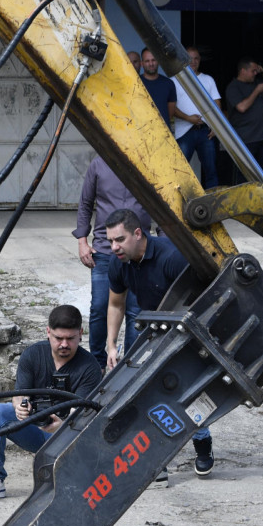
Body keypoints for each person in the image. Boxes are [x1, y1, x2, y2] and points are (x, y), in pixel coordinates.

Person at [104, 209, 215, 481]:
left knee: (186, 393)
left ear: (137, 233)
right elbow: (116, 304)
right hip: (152, 330)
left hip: (187, 330)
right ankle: (156, 461)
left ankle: (203, 445)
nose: (114, 247)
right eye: (110, 241)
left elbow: (204, 301)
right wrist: (111, 344)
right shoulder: (119, 263)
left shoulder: (172, 258)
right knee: (143, 392)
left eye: (119, 239)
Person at [0, 305, 103, 500]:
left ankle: (71, 472)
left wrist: (62, 426)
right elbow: (19, 394)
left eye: (70, 338)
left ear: (80, 334)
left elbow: (83, 416)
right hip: (35, 427)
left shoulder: (90, 367)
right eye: (58, 338)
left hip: (69, 436)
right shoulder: (32, 354)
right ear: (48, 332)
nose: (64, 344)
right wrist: (21, 407)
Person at [73, 155, 154, 370]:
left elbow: (162, 204)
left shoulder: (149, 161)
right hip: (105, 249)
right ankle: (97, 365)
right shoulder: (99, 163)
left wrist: (161, 242)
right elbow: (86, 203)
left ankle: (130, 368)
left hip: (139, 251)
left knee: (136, 311)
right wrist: (82, 241)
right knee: (100, 307)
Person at [171, 46, 222, 189]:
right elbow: (171, 107)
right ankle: (179, 200)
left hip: (205, 131)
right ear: (183, 60)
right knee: (179, 172)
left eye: (196, 58)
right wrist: (188, 118)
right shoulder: (174, 80)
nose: (193, 61)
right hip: (184, 132)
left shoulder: (208, 79)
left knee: (211, 171)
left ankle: (212, 199)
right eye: (190, 58)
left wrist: (216, 126)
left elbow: (217, 104)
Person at [224, 57, 263, 185]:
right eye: (253, 71)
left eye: (256, 71)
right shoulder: (233, 87)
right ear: (243, 71)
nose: (255, 73)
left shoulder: (255, 83)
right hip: (245, 139)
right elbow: (242, 107)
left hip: (262, 137)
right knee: (245, 175)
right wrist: (256, 91)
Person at [139, 49, 177, 126]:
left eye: (153, 60)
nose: (151, 64)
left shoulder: (168, 83)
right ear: (142, 63)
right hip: (141, 130)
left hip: (163, 130)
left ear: (158, 61)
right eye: (147, 61)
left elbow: (170, 113)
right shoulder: (136, 83)